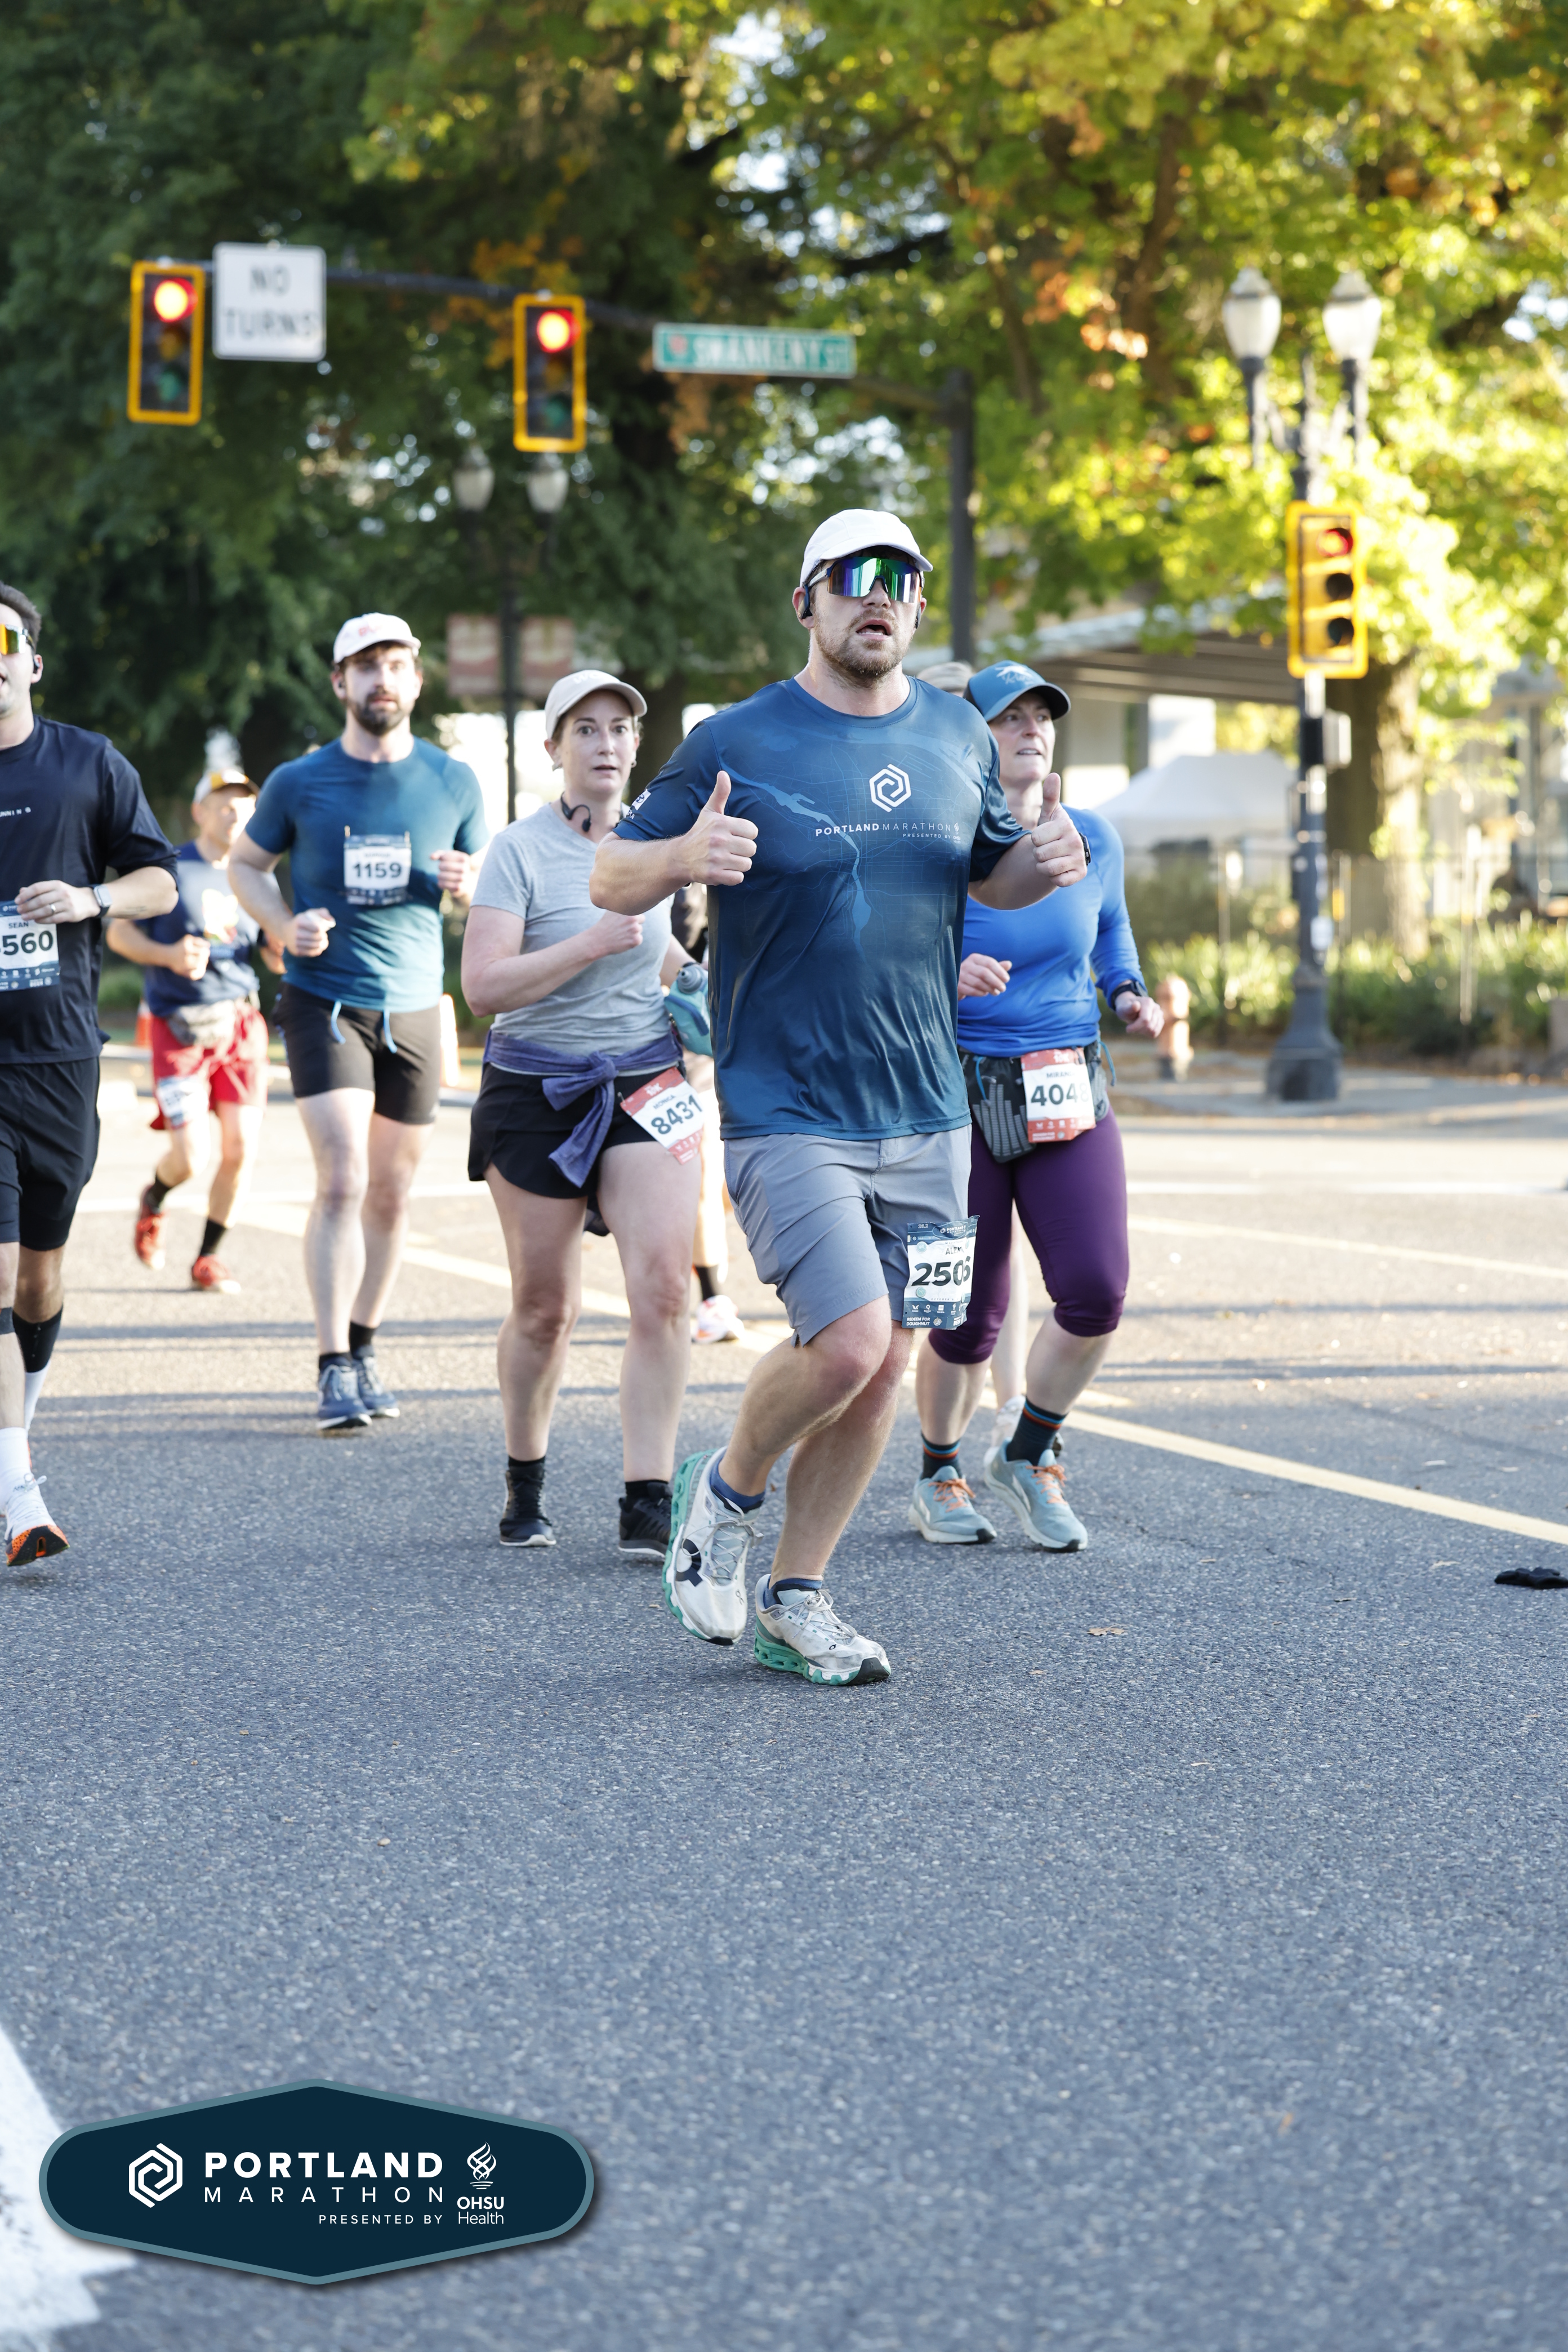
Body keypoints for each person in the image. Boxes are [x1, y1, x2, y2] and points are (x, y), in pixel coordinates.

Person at [592, 509, 1088, 1685]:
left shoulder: (958, 734)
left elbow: (989, 873)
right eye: (853, 576)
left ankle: (796, 1599)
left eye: (900, 579)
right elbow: (611, 870)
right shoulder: (736, 738)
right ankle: (723, 1496)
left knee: (887, 1364)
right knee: (849, 1339)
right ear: (805, 602)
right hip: (789, 1101)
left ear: (915, 606)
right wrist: (681, 860)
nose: (879, 595)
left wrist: (1045, 860)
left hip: (927, 1105)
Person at [907, 659, 1163, 1549]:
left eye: (1040, 717)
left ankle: (1027, 1452)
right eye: (1007, 717)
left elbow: (1111, 927)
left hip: (1065, 1081)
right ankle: (939, 1470)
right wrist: (945, 971)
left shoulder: (1090, 835)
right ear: (969, 738)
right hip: (956, 1090)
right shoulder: (934, 842)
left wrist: (1128, 992)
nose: (1029, 729)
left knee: (1096, 1290)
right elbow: (879, 950)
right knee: (964, 1315)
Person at [462, 669, 706, 1556]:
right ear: (554, 748)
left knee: (667, 1290)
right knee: (545, 1308)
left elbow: (658, 947)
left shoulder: (658, 842)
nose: (607, 744)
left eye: (620, 729)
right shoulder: (518, 851)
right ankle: (525, 1476)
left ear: (636, 746)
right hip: (538, 1088)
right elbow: (484, 987)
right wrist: (588, 943)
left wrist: (695, 980)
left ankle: (647, 1497)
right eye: (587, 729)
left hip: (647, 1080)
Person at [230, 613, 487, 1433]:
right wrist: (282, 926)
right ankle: (332, 1361)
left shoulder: (454, 780)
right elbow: (246, 865)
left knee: (393, 1190)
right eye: (366, 666)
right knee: (341, 1178)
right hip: (325, 1001)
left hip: (414, 1006)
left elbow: (487, 886)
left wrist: (470, 882)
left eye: (396, 665)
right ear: (340, 682)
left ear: (417, 680)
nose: (382, 679)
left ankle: (366, 1342)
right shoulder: (298, 781)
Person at [0, 582, 177, 1561]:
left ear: (32, 660)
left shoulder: (87, 763)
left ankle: (14, 1429)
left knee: (39, 1275)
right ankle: (19, 1493)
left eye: (4, 642)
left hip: (61, 1055)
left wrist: (91, 898)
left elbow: (159, 878)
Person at [110, 765, 284, 1293]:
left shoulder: (258, 875)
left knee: (241, 1149)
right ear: (199, 812)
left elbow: (271, 952)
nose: (235, 814)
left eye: (244, 805)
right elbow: (119, 934)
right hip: (181, 1027)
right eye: (223, 804)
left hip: (241, 1023)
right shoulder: (171, 870)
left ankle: (208, 1258)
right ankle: (155, 1198)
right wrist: (167, 955)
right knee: (191, 1157)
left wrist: (286, 948)